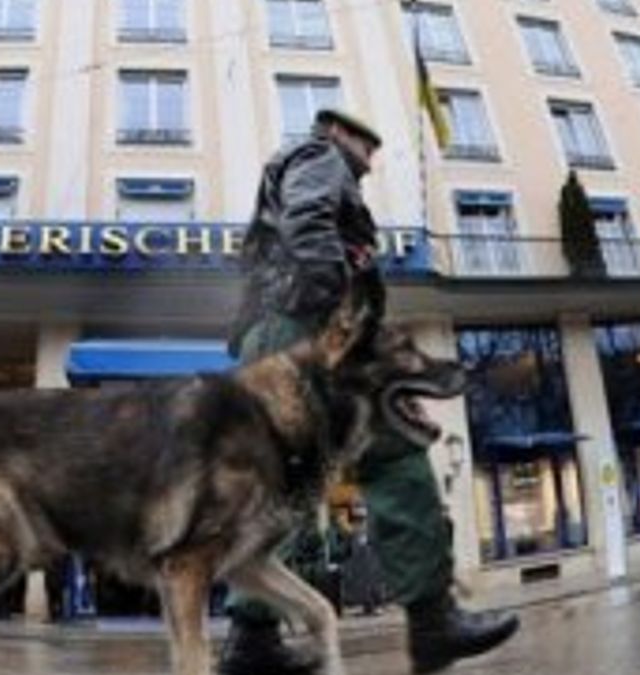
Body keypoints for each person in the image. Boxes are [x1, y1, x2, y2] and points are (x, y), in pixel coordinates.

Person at [219, 108, 519, 675]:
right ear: (337, 132)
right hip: (310, 325)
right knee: (394, 455)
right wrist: (335, 308)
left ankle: (250, 640)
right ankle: (432, 624)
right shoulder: (319, 156)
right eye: (366, 144)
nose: (371, 158)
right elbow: (309, 219)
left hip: (279, 330)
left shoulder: (303, 165)